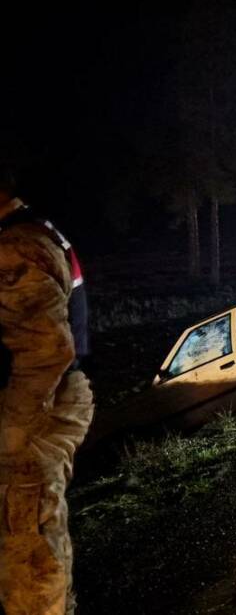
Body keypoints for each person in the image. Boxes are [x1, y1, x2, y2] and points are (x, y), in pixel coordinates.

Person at [0, 167, 94, 614]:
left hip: (31, 416)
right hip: (42, 406)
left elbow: (46, 353)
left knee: (27, 556)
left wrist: (11, 434)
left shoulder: (13, 248)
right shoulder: (30, 232)